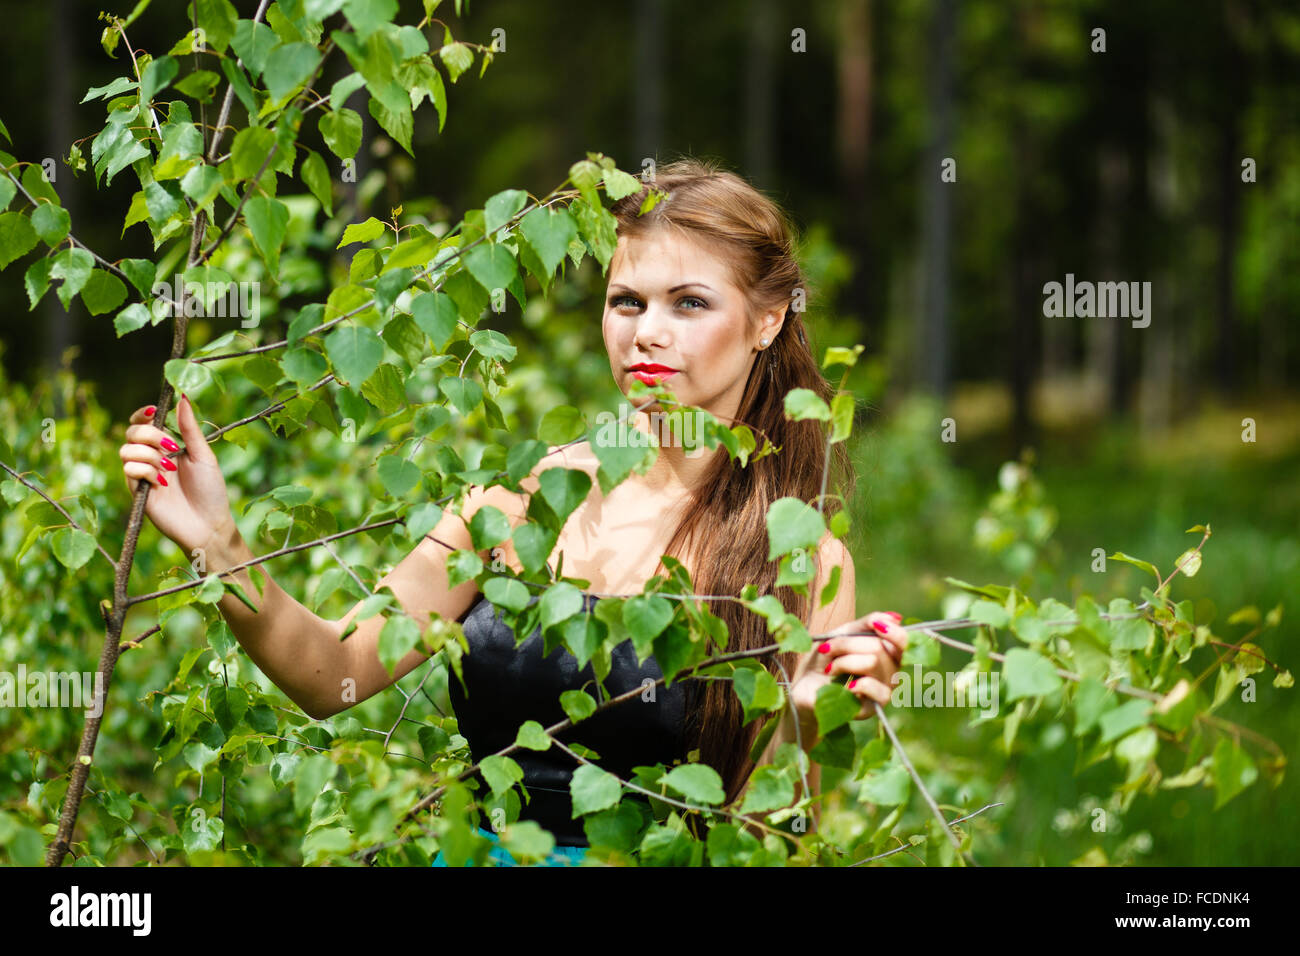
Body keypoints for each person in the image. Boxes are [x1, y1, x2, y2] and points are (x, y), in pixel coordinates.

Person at [118, 156, 909, 867]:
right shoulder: (513, 501)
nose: (647, 335)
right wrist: (216, 544)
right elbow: (337, 676)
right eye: (626, 301)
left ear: (768, 320)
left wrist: (810, 725)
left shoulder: (794, 559)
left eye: (690, 303)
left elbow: (768, 837)